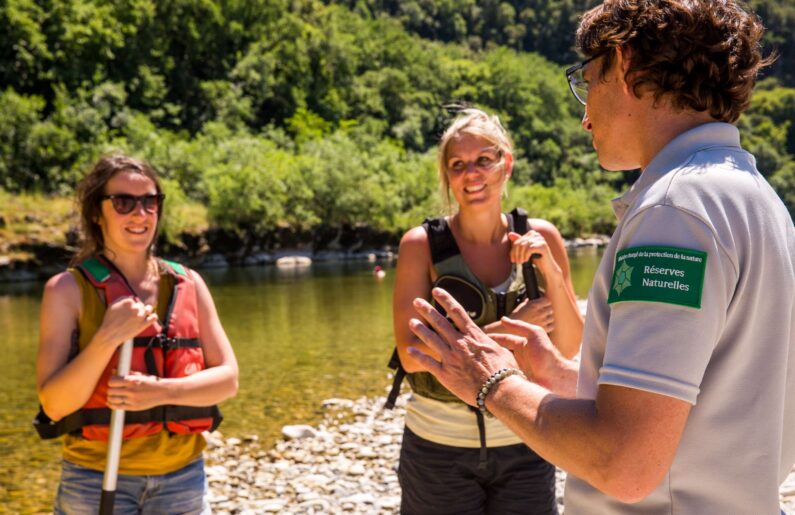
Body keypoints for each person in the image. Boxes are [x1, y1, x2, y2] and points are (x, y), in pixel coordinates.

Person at [405, 1, 795, 513]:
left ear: (625, 63)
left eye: (587, 80)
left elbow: (625, 464)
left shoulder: (674, 212)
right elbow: (702, 403)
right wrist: (563, 377)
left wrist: (491, 380)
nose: (586, 116)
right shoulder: (760, 202)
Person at [392, 108, 583, 514]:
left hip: (527, 437)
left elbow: (568, 346)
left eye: (483, 160)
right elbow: (410, 356)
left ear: (506, 164)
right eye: (457, 165)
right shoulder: (420, 245)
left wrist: (547, 264)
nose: (471, 175)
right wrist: (518, 329)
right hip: (438, 446)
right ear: (447, 175)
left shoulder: (541, 237)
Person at [35, 155, 239, 514]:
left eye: (150, 201)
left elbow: (228, 381)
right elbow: (55, 405)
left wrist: (157, 392)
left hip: (183, 478)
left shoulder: (187, 283)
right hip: (94, 479)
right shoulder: (66, 291)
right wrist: (106, 339)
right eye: (123, 202)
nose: (140, 213)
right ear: (97, 213)